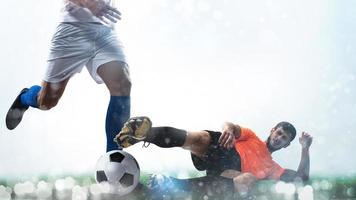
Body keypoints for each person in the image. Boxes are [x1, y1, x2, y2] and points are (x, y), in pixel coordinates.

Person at [5, 0, 131, 151]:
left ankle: (114, 156)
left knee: (122, 85)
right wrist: (88, 3)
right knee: (47, 102)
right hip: (72, 31)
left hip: (105, 31)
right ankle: (25, 97)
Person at [115, 116, 313, 197]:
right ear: (272, 131)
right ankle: (141, 134)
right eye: (278, 133)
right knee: (199, 138)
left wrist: (305, 148)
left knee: (248, 179)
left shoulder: (273, 168)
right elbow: (232, 126)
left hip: (228, 174)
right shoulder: (251, 136)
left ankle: (165, 185)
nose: (279, 138)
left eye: (284, 138)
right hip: (225, 149)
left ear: (287, 145)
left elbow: (301, 179)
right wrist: (227, 130)